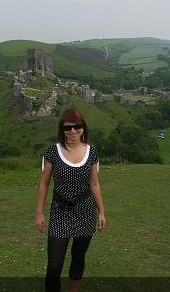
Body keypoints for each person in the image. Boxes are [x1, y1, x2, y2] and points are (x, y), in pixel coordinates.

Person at [35, 108, 106, 292]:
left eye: (77, 126)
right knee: (54, 266)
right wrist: (39, 213)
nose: (73, 131)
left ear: (83, 128)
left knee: (78, 256)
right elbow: (44, 184)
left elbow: (94, 184)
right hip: (60, 211)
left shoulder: (92, 152)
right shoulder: (52, 152)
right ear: (62, 130)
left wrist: (101, 212)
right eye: (68, 128)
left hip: (85, 210)